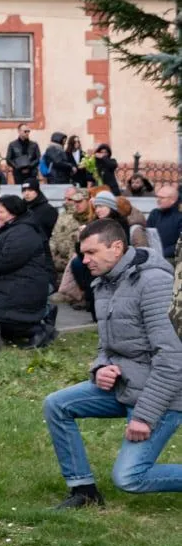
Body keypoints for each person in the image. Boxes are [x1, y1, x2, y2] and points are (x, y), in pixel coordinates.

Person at [43, 217, 182, 508]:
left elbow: (172, 357)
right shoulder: (104, 282)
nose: (84, 260)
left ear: (116, 247)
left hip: (163, 397)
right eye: (83, 253)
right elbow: (106, 345)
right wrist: (100, 368)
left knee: (130, 478)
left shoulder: (154, 282)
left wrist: (144, 416)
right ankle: (84, 491)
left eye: (91, 252)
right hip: (126, 385)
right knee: (57, 404)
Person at [0, 196, 54, 347]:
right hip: (14, 283)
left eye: (0, 211)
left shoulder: (23, 231)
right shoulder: (12, 229)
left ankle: (39, 330)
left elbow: (7, 259)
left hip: (25, 286)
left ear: (13, 213)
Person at [146, 184, 180, 261]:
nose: (158, 199)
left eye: (162, 198)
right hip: (153, 255)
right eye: (157, 197)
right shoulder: (154, 214)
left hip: (172, 258)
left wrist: (161, 253)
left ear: (173, 200)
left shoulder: (180, 218)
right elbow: (147, 235)